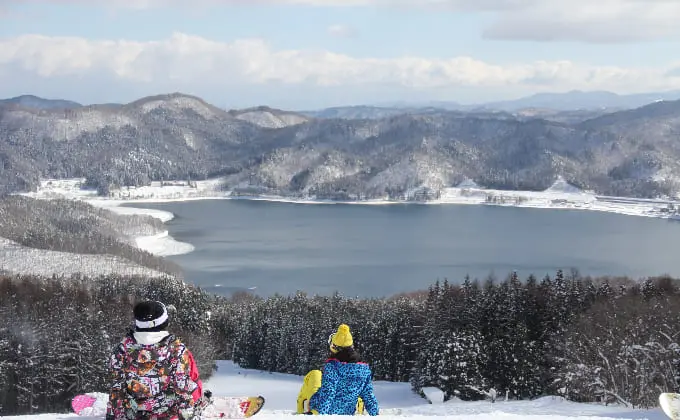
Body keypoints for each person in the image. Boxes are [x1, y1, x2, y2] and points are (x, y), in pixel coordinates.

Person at [106, 300, 203, 420]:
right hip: (168, 413)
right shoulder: (176, 349)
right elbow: (182, 389)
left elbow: (117, 388)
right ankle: (199, 401)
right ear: (164, 322)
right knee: (191, 374)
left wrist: (118, 415)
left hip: (133, 412)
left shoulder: (122, 349)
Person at [300, 324, 379, 416]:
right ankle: (359, 408)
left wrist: (319, 414)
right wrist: (375, 415)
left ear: (336, 348)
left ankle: (301, 410)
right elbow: (368, 395)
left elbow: (329, 392)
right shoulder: (364, 370)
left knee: (313, 375)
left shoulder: (333, 367)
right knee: (355, 392)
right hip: (347, 412)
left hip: (327, 410)